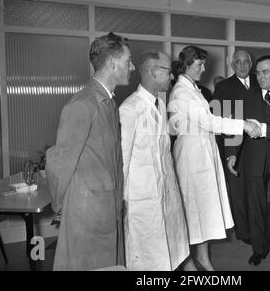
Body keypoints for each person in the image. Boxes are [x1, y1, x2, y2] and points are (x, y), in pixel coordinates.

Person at [46, 32, 134, 270]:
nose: (132, 67)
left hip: (106, 208)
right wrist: (62, 205)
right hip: (87, 214)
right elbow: (59, 162)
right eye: (128, 62)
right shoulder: (83, 104)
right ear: (112, 64)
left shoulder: (107, 102)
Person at [167, 45, 260, 271]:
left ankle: (204, 258)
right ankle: (188, 263)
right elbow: (209, 122)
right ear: (187, 65)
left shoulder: (193, 88)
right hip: (191, 157)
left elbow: (212, 119)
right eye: (200, 64)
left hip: (203, 154)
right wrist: (243, 125)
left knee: (205, 210)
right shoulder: (181, 91)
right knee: (191, 212)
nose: (204, 68)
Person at [119, 50, 189, 270]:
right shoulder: (130, 109)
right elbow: (122, 162)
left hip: (166, 195)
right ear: (152, 72)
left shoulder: (159, 105)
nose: (172, 77)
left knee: (169, 254)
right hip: (143, 202)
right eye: (168, 71)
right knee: (147, 260)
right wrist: (121, 203)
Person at [226, 55, 270, 266]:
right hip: (253, 159)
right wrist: (233, 153)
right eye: (258, 73)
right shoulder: (248, 96)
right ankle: (259, 249)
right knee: (256, 208)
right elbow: (237, 127)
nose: (260, 77)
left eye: (265, 72)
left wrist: (263, 130)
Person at [213, 50, 256, 244]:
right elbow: (220, 120)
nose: (242, 65)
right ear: (232, 65)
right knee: (238, 192)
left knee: (256, 191)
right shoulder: (223, 87)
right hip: (233, 146)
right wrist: (231, 152)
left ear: (251, 63)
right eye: (238, 62)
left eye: (246, 61)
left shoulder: (259, 81)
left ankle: (256, 228)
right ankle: (244, 232)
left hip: (257, 146)